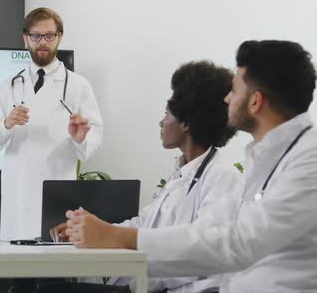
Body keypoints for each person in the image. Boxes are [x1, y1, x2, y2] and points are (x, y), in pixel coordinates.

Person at [66, 40, 317, 292]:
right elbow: (206, 233)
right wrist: (106, 233)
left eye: (235, 90)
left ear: (255, 102)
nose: (228, 98)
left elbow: (239, 243)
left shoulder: (309, 161)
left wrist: (118, 238)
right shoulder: (263, 159)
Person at [48, 61, 242, 293]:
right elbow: (144, 225)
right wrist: (92, 231)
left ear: (187, 122)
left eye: (166, 113)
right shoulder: (183, 174)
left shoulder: (223, 179)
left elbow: (199, 257)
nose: (161, 122)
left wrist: (132, 286)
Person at [0, 7, 103, 240]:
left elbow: (94, 139)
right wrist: (6, 124)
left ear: (59, 36)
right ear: (25, 38)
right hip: (17, 194)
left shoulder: (78, 86)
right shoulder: (9, 86)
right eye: (36, 36)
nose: (43, 42)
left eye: (49, 35)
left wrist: (81, 138)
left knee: (53, 267)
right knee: (15, 268)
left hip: (56, 191)